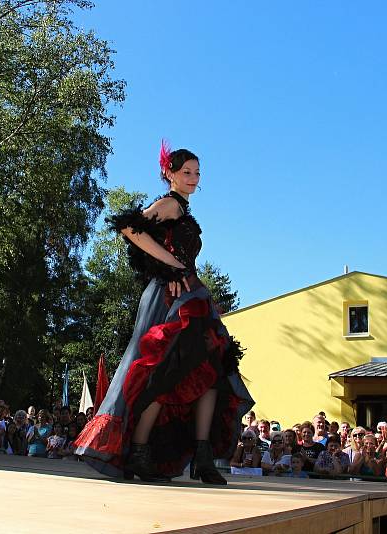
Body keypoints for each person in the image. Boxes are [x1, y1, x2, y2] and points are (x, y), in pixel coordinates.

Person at [73, 144, 253, 485]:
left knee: (210, 371)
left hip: (190, 294)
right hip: (170, 298)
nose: (193, 178)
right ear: (169, 174)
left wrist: (177, 269)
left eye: (197, 173)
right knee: (165, 372)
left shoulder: (182, 210)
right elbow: (130, 228)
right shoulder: (170, 203)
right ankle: (140, 451)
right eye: (187, 172)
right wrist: (171, 267)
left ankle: (202, 456)